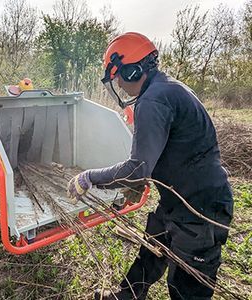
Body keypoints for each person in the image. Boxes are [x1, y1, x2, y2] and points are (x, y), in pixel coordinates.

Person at [67, 32, 233, 300]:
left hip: (200, 208)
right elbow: (166, 151)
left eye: (118, 75)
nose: (118, 83)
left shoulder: (153, 100)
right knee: (152, 248)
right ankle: (127, 295)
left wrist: (90, 177)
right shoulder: (167, 88)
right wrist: (141, 181)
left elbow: (137, 167)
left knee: (188, 286)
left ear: (133, 71)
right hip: (180, 199)